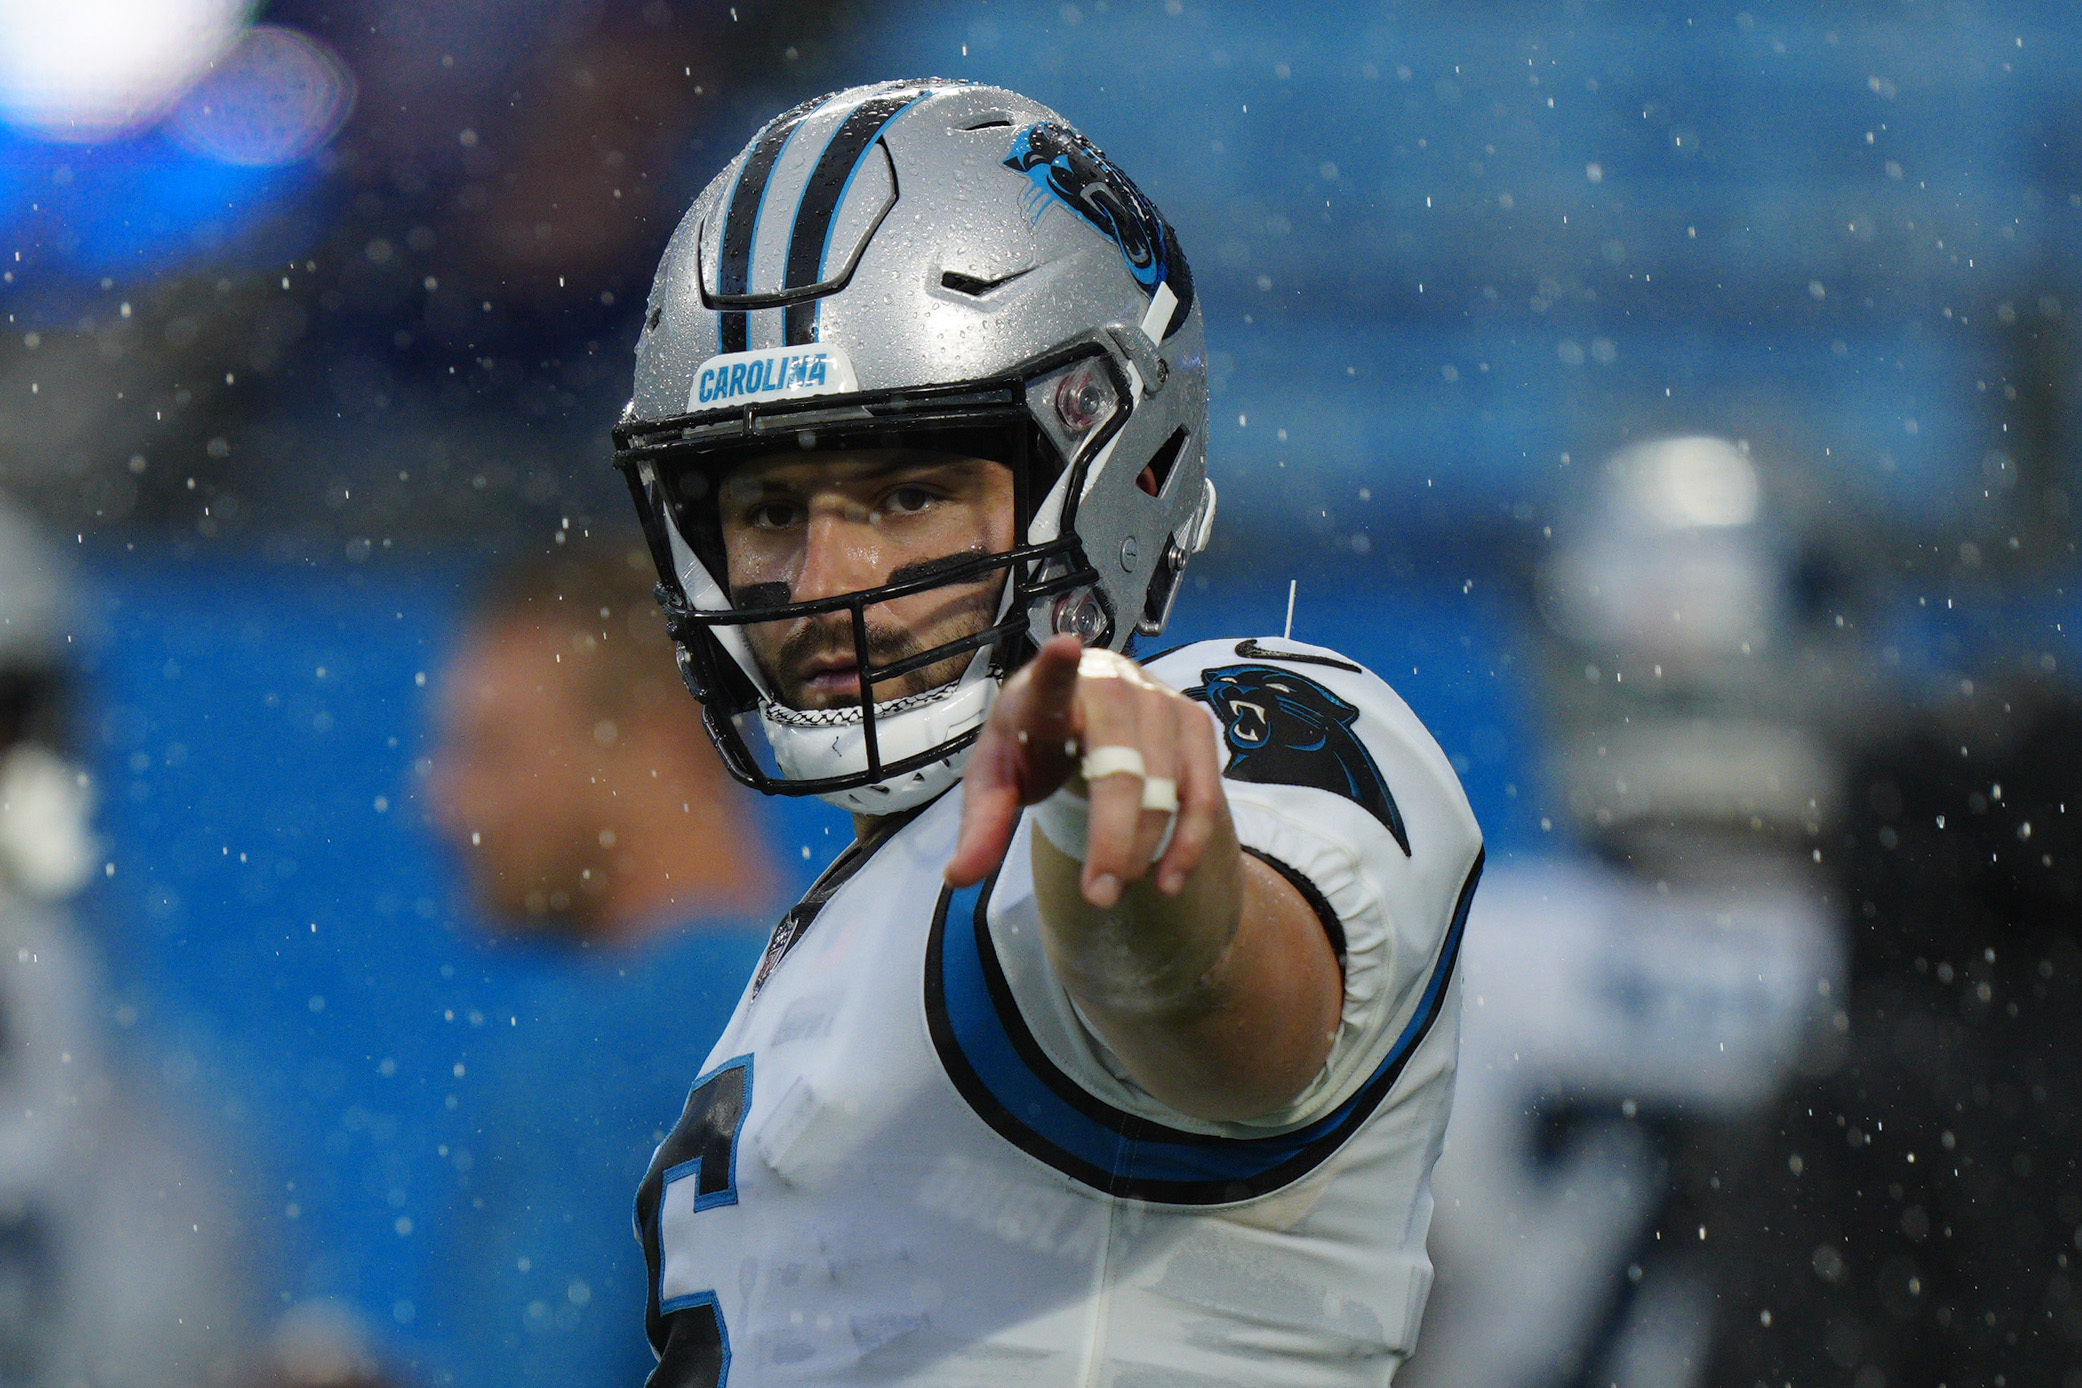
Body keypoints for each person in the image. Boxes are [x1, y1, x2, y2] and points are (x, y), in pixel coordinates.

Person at [609, 81, 1484, 1385]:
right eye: (769, 507)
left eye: (907, 493)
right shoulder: (861, 908)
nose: (818, 575)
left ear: (1110, 465)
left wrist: (1130, 884)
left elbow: (1241, 1008)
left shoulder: (1217, 723)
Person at [422, 537, 778, 1387]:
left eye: (490, 747)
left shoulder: (600, 1058)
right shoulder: (833, 998)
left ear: (651, 743)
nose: (437, 801)